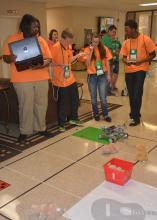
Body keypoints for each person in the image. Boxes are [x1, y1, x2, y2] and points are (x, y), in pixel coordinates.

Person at [3, 14, 52, 142]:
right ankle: (25, 131)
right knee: (26, 105)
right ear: (26, 26)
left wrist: (43, 64)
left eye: (38, 26)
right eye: (34, 26)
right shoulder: (12, 39)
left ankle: (41, 128)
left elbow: (49, 59)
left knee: (42, 104)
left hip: (41, 77)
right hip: (21, 79)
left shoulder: (41, 40)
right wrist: (10, 58)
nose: (37, 29)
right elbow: (5, 58)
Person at [121, 20, 156, 126]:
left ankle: (134, 117)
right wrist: (125, 61)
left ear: (133, 29)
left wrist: (141, 61)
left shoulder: (145, 39)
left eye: (127, 30)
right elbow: (123, 57)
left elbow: (153, 54)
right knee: (132, 94)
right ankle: (135, 112)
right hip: (129, 71)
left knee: (137, 93)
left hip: (141, 70)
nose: (126, 32)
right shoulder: (126, 42)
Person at [50, 28, 85, 131]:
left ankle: (73, 118)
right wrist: (59, 65)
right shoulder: (55, 47)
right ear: (63, 38)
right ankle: (61, 124)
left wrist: (78, 55)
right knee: (62, 102)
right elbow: (49, 62)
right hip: (60, 81)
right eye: (69, 41)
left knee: (75, 100)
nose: (70, 43)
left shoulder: (68, 46)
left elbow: (69, 59)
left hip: (70, 78)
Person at [81, 32, 112, 122]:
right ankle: (96, 113)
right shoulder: (87, 50)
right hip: (92, 77)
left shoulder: (104, 48)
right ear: (91, 41)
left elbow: (108, 62)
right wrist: (91, 51)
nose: (95, 44)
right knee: (93, 98)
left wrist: (109, 74)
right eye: (94, 42)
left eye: (97, 42)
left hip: (102, 75)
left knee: (103, 97)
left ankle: (105, 115)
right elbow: (86, 63)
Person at [101, 25, 121, 91]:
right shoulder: (105, 39)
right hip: (108, 60)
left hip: (114, 59)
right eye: (113, 32)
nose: (114, 33)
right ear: (109, 31)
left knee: (114, 74)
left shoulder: (114, 40)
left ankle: (111, 87)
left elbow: (117, 48)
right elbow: (108, 51)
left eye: (115, 32)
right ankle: (107, 89)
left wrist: (117, 52)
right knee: (109, 74)